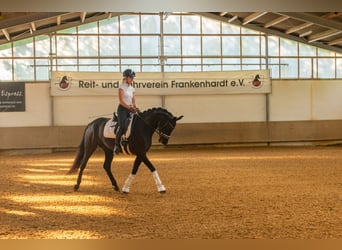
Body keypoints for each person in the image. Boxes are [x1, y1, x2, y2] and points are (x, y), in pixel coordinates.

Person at [114, 69, 138, 155]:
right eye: (131, 77)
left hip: (130, 108)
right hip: (122, 109)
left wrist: (135, 107)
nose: (132, 79)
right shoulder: (121, 87)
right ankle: (116, 145)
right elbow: (121, 101)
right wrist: (129, 107)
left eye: (132, 78)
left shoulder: (132, 88)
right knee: (122, 125)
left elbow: (133, 100)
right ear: (126, 78)